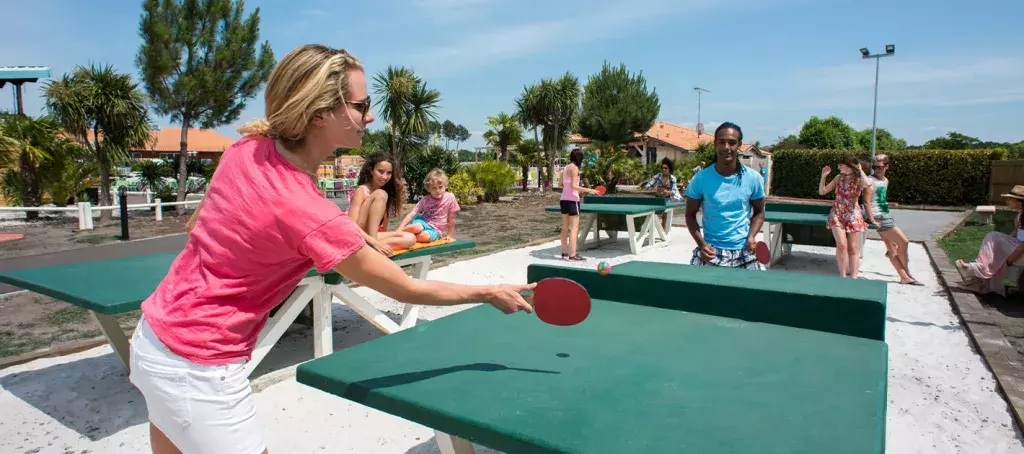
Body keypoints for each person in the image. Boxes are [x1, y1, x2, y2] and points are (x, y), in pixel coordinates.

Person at [131, 44, 535, 454]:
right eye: (361, 106)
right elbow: (406, 288)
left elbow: (196, 224)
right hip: (198, 364)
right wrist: (489, 292)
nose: (370, 116)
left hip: (153, 336)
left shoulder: (246, 148)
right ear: (319, 114)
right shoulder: (306, 209)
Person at [684, 123, 766, 269]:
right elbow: (689, 215)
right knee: (691, 283)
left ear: (739, 145)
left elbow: (759, 212)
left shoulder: (753, 178)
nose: (726, 147)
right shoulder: (700, 179)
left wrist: (751, 237)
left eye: (732, 142)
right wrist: (701, 244)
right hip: (711, 250)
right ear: (715, 144)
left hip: (744, 250)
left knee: (759, 283)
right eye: (721, 142)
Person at [957, 185, 1024, 296]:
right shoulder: (1019, 217)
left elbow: (1022, 245)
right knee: (994, 252)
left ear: (1020, 201)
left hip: (1021, 252)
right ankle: (979, 280)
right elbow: (1013, 237)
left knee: (993, 237)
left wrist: (1009, 260)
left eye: (1010, 199)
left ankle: (977, 269)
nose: (1007, 201)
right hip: (1019, 249)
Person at [819, 154, 878, 279]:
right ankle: (843, 276)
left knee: (854, 247)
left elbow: (868, 184)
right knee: (842, 245)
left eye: (841, 165)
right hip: (837, 213)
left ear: (849, 166)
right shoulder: (838, 178)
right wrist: (823, 177)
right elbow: (822, 191)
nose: (839, 167)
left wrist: (860, 169)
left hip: (853, 214)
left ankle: (854, 277)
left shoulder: (859, 179)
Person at [346, 152, 417, 254]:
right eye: (380, 171)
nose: (385, 177)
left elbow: (383, 228)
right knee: (380, 194)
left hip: (371, 236)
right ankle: (372, 245)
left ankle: (368, 246)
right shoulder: (361, 191)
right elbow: (351, 225)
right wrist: (375, 242)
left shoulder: (385, 194)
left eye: (389, 173)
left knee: (410, 238)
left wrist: (379, 242)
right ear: (371, 170)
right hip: (357, 234)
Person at [867, 155, 921, 285]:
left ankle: (904, 277)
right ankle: (907, 273)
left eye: (880, 167)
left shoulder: (885, 180)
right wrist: (872, 219)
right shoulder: (870, 181)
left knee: (892, 248)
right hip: (878, 216)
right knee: (904, 242)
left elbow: (882, 199)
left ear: (886, 167)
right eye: (874, 167)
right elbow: (866, 202)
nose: (877, 169)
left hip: (885, 214)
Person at [398, 169, 460, 243]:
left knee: (424, 236)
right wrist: (399, 228)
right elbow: (411, 214)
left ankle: (408, 238)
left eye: (440, 187)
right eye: (434, 188)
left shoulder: (450, 198)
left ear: (445, 186)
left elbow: (451, 218)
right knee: (416, 228)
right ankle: (398, 234)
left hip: (436, 230)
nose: (437, 190)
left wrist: (449, 235)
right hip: (423, 222)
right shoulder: (425, 200)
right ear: (428, 189)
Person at [560, 148, 600, 261]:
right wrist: (590, 190)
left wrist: (577, 190)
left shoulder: (566, 168)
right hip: (572, 200)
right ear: (580, 158)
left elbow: (561, 185)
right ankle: (573, 255)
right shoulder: (575, 168)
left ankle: (564, 253)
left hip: (563, 200)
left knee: (565, 227)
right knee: (574, 228)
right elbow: (574, 186)